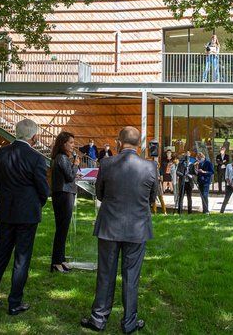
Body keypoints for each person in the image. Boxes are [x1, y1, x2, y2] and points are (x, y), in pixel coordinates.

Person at [80, 126, 157, 334]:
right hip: (137, 227)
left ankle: (98, 319)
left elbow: (99, 194)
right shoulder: (150, 167)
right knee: (132, 276)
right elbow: (152, 198)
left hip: (110, 226)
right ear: (139, 144)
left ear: (118, 142)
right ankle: (129, 322)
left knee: (106, 273)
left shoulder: (106, 163)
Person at [0, 119, 50, 316]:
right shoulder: (36, 158)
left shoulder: (1, 153)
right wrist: (37, 202)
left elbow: (0, 183)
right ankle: (14, 302)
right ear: (34, 137)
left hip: (7, 209)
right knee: (21, 257)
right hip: (27, 213)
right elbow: (43, 188)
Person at [50, 131, 81, 274]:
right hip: (64, 195)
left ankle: (61, 259)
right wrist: (75, 165)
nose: (73, 146)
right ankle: (56, 262)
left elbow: (68, 175)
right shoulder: (61, 157)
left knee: (63, 229)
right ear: (63, 144)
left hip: (65, 193)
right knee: (62, 230)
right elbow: (69, 177)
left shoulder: (62, 158)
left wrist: (75, 171)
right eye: (71, 143)